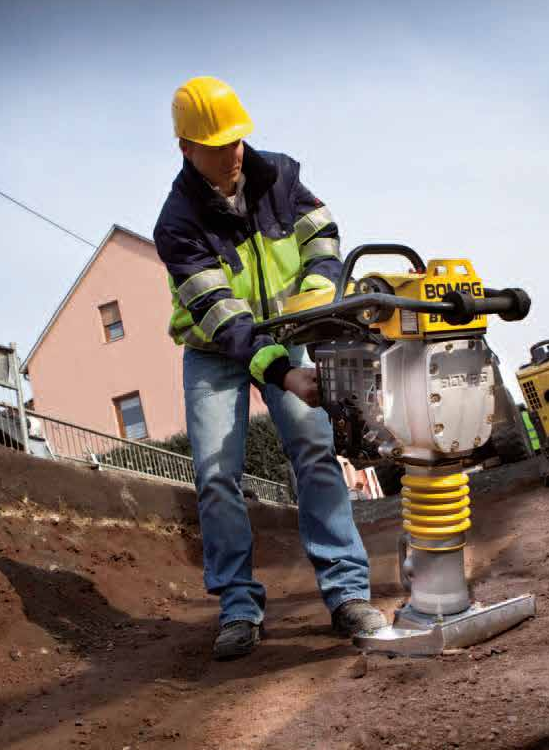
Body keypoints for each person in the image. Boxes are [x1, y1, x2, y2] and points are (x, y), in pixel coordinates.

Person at [153, 76, 386, 660]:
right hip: (217, 350)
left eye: (237, 138)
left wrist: (317, 291)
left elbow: (323, 236)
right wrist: (283, 373)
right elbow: (224, 318)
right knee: (215, 475)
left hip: (290, 330)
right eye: (217, 144)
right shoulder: (177, 223)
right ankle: (237, 605)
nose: (234, 153)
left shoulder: (279, 175)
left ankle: (346, 592)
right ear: (186, 147)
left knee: (314, 448)